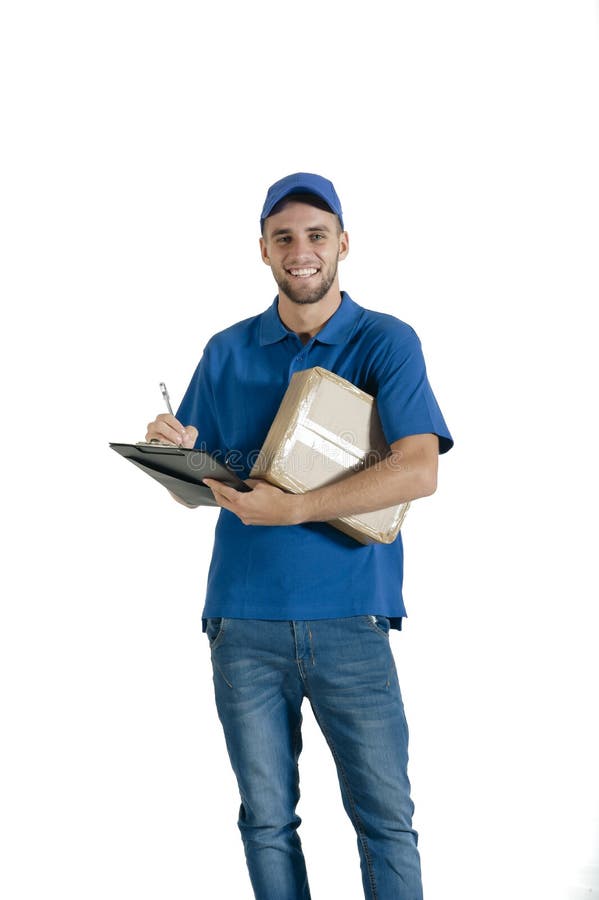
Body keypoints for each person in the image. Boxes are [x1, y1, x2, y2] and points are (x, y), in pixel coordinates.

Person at [145, 173, 453, 900]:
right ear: (262, 251)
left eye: (316, 235)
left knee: (385, 821)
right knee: (266, 823)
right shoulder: (226, 350)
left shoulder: (385, 341)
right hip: (241, 620)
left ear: (342, 244)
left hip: (351, 616)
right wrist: (171, 448)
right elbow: (202, 486)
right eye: (283, 238)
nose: (301, 250)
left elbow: (417, 471)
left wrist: (295, 508)